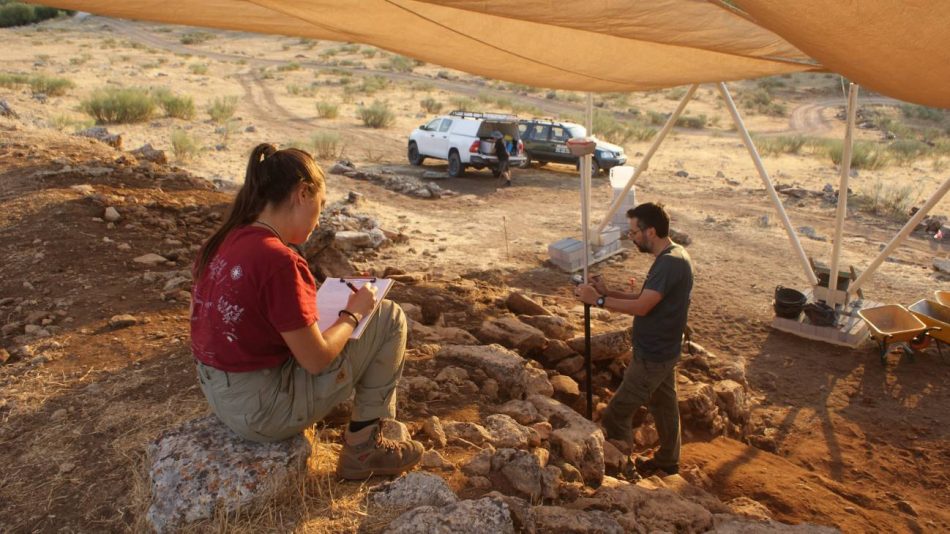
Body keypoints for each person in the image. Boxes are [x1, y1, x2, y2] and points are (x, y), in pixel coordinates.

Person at [191, 143, 422, 480]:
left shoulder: (224, 240)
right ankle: (363, 448)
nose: (319, 216)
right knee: (387, 316)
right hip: (263, 412)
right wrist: (352, 315)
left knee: (359, 317)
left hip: (224, 398)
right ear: (302, 193)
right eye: (321, 203)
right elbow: (316, 360)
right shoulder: (278, 260)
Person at [574, 202, 693, 477]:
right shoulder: (673, 256)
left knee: (617, 413)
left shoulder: (670, 263)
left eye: (633, 232)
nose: (632, 238)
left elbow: (642, 308)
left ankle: (621, 469)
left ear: (650, 231)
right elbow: (645, 300)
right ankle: (668, 461)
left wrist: (600, 301)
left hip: (653, 356)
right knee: (663, 406)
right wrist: (608, 291)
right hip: (662, 350)